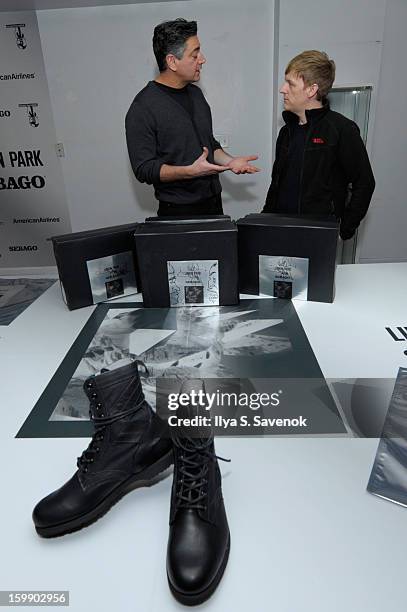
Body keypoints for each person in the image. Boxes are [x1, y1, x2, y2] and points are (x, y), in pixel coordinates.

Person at [125, 18, 260, 216]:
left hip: (213, 203)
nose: (202, 59)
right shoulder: (142, 107)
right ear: (172, 61)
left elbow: (210, 145)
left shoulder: (196, 95)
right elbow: (144, 169)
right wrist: (189, 171)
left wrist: (230, 162)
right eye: (194, 54)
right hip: (178, 211)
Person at [262, 50, 375, 240]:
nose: (283, 89)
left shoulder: (342, 129)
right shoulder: (286, 131)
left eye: (290, 83)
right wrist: (264, 220)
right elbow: (277, 184)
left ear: (311, 90)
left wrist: (344, 230)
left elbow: (364, 183)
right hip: (280, 231)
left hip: (318, 237)